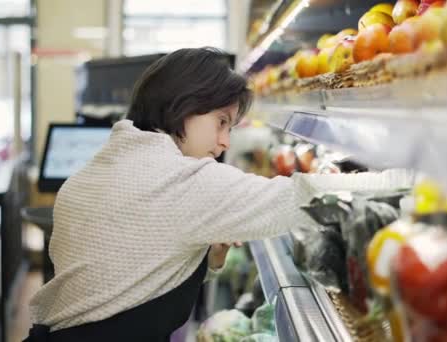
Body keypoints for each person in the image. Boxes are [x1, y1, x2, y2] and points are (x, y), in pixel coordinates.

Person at [25, 47, 309, 342]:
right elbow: (296, 200)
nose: (225, 142)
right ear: (184, 107)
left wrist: (208, 261)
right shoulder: (185, 179)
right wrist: (356, 185)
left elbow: (135, 281)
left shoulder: (90, 174)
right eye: (221, 122)